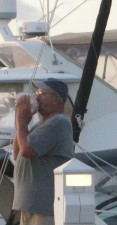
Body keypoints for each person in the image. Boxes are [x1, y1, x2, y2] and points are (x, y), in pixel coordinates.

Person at [12, 78, 73, 225]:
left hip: (44, 207)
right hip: (32, 206)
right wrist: (21, 123)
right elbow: (17, 152)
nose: (36, 96)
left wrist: (21, 124)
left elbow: (27, 150)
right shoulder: (41, 124)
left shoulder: (58, 122)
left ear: (56, 99)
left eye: (41, 92)